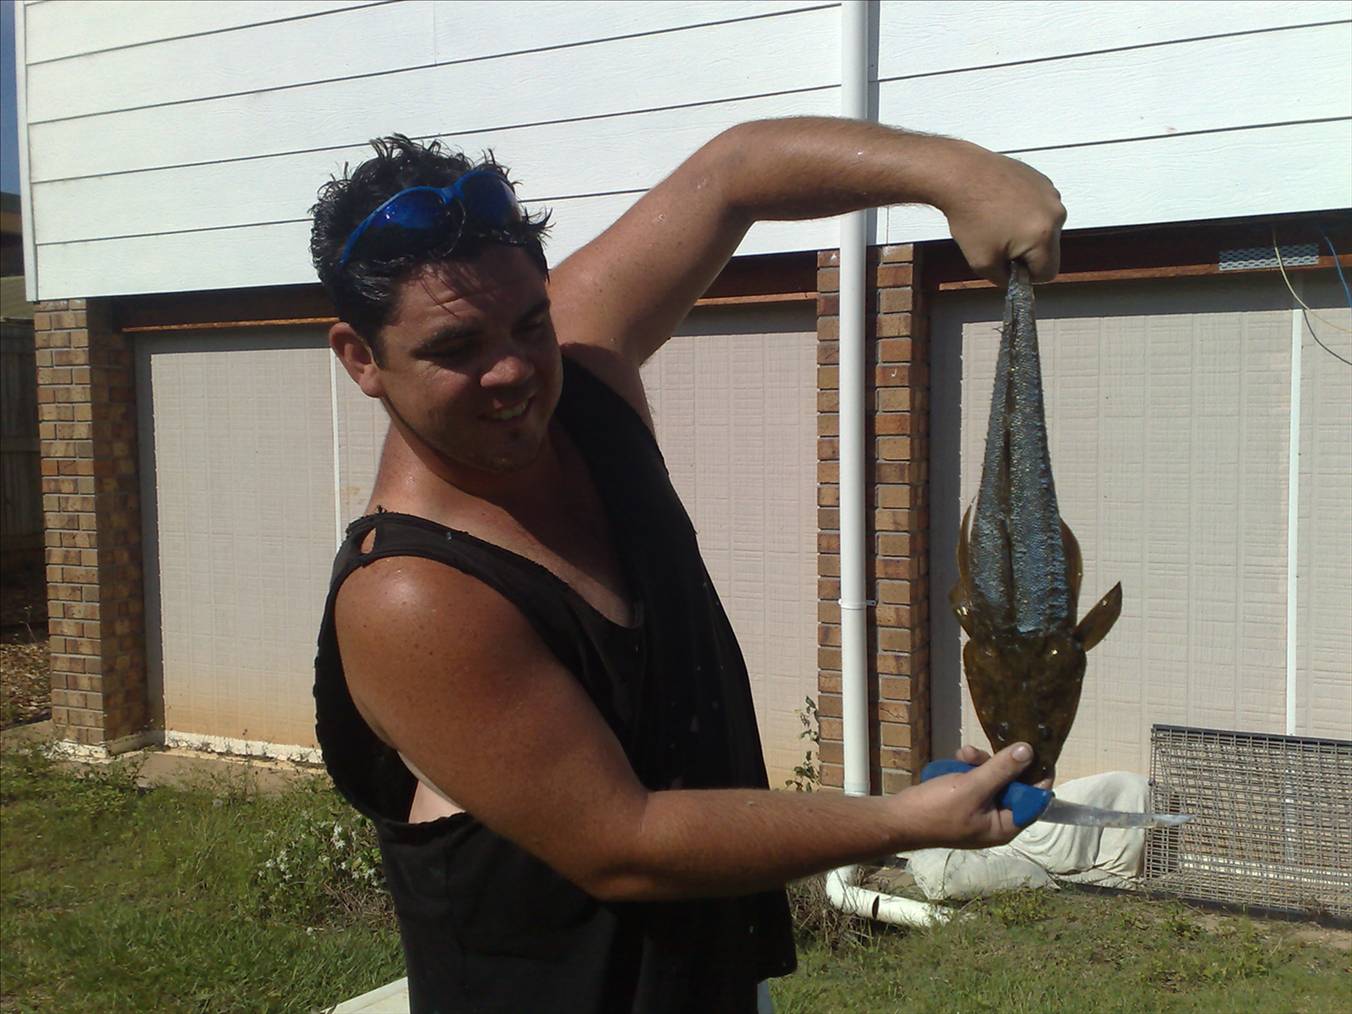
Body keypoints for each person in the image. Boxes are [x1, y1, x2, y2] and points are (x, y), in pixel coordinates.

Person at [310, 117, 1064, 1013]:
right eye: (455, 349)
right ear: (362, 359)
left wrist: (957, 171)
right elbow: (623, 842)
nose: (514, 370)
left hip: (707, 980)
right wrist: (903, 821)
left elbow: (734, 172)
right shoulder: (412, 595)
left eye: (531, 322)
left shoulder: (577, 379)